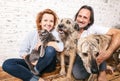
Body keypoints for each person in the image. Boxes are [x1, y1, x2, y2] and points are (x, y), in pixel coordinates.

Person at [2, 9, 64, 81]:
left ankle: (34, 72)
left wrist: (45, 43)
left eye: (51, 21)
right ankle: (35, 79)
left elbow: (61, 47)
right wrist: (31, 62)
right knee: (7, 63)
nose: (48, 23)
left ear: (54, 23)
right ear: (40, 22)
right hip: (32, 62)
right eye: (45, 20)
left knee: (50, 49)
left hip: (47, 64)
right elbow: (22, 51)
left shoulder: (55, 34)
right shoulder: (32, 34)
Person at [72, 5, 120, 81]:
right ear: (76, 17)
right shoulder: (69, 27)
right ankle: (104, 67)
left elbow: (118, 33)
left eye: (85, 17)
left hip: (93, 54)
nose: (81, 20)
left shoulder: (93, 28)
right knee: (78, 75)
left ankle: (102, 71)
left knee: (95, 42)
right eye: (79, 16)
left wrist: (108, 53)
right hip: (79, 56)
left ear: (90, 21)